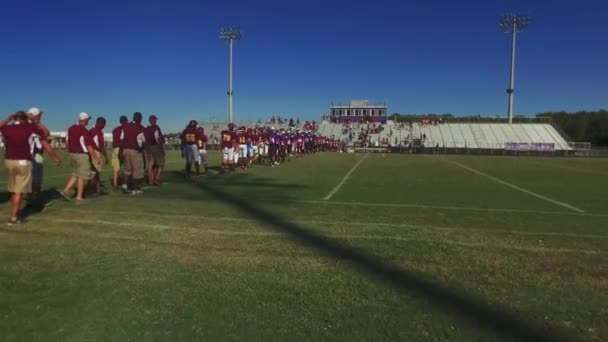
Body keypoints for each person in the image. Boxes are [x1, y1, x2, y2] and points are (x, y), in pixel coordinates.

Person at [0, 111, 56, 224]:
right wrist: (35, 121)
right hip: (23, 161)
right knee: (18, 191)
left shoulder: (7, 128)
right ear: (25, 118)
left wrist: (8, 118)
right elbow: (46, 133)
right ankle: (13, 217)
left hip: (9, 161)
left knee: (14, 190)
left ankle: (14, 213)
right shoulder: (29, 127)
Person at [61, 112, 100, 202]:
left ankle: (66, 191)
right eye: (88, 120)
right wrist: (95, 157)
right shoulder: (84, 130)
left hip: (72, 154)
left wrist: (70, 152)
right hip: (82, 155)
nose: (88, 121)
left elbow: (67, 141)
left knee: (75, 174)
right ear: (85, 120)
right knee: (82, 176)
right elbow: (89, 146)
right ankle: (79, 197)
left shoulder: (71, 128)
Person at [27, 107, 62, 195]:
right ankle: (35, 198)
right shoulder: (35, 126)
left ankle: (28, 197)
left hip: (20, 156)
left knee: (26, 178)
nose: (40, 116)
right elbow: (45, 136)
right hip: (34, 155)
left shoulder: (22, 125)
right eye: (39, 115)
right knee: (36, 178)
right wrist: (55, 157)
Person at [121, 112, 146, 195]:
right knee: (137, 170)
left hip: (125, 150)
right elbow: (143, 142)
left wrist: (121, 152)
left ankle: (124, 185)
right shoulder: (141, 128)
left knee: (127, 170)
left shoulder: (125, 126)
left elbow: (122, 139)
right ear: (139, 118)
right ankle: (135, 189)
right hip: (135, 151)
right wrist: (143, 150)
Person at [89, 117, 108, 195]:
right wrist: (106, 157)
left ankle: (98, 188)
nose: (104, 126)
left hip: (90, 152)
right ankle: (91, 190)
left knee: (95, 172)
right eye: (104, 124)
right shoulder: (98, 132)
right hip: (96, 152)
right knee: (94, 172)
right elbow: (101, 146)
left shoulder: (90, 130)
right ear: (100, 123)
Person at [144, 115, 165, 185]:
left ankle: (150, 181)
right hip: (156, 147)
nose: (156, 121)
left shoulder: (146, 128)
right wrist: (162, 148)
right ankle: (157, 178)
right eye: (155, 120)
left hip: (148, 148)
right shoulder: (156, 127)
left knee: (151, 165)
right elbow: (159, 138)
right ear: (153, 120)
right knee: (161, 164)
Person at [111, 116, 129, 189]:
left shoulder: (115, 129)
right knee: (126, 167)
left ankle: (115, 184)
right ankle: (125, 183)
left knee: (116, 168)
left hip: (115, 149)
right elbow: (123, 140)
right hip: (122, 148)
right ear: (124, 121)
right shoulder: (125, 129)